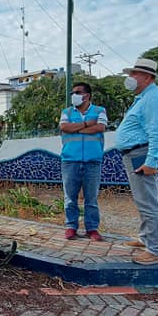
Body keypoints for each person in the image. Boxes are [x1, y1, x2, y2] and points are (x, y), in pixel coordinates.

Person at [115, 58, 158, 265]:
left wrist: (151, 161)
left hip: (141, 153)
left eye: (134, 74)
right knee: (143, 200)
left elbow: (157, 132)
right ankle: (147, 238)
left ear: (147, 77)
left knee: (148, 202)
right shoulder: (144, 97)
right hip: (136, 153)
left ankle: (155, 250)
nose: (130, 78)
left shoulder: (153, 98)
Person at [60, 81, 108, 241]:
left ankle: (92, 229)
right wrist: (87, 124)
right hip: (70, 160)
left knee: (91, 198)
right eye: (72, 93)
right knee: (70, 198)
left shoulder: (100, 111)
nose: (73, 95)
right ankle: (71, 227)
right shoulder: (66, 112)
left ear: (86, 95)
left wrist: (76, 127)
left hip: (92, 161)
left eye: (77, 92)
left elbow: (100, 128)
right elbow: (64, 127)